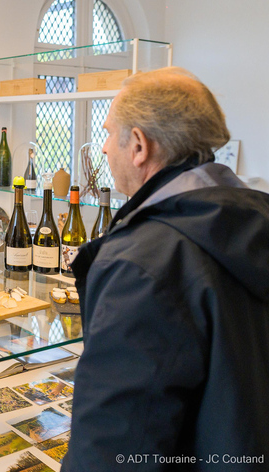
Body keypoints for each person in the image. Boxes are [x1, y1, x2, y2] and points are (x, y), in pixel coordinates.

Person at [62, 67, 269, 471]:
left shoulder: (142, 261)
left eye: (108, 132)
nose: (104, 148)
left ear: (138, 145)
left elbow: (115, 447)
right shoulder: (251, 219)